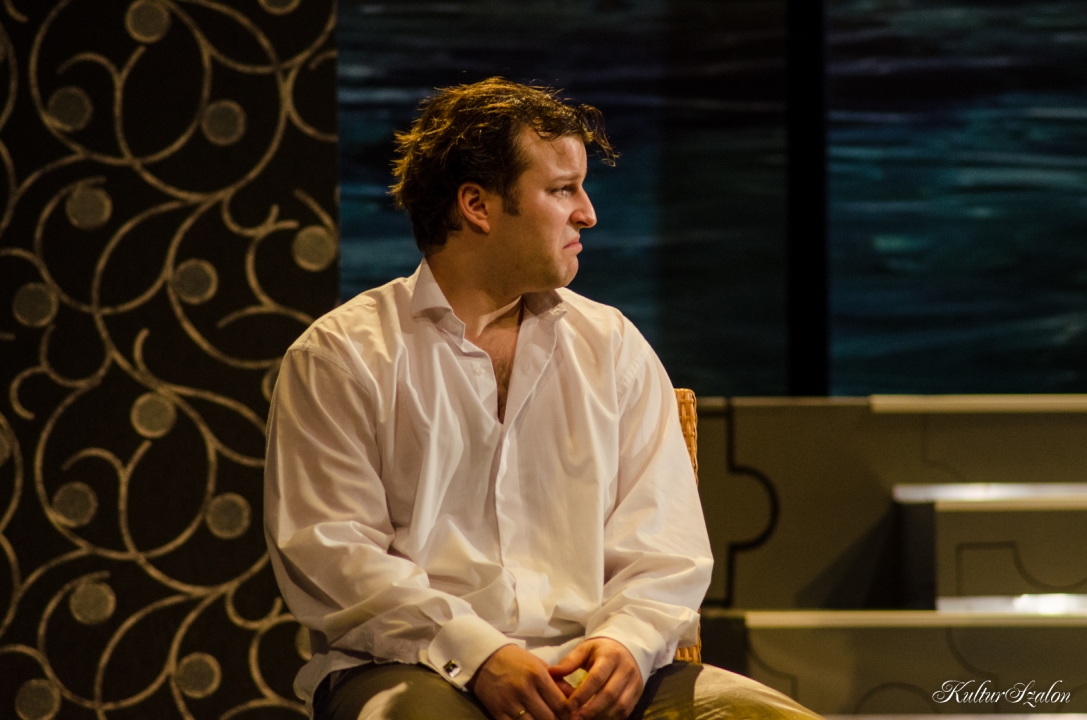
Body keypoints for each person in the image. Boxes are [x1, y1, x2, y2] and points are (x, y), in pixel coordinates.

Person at [265, 77, 820, 720]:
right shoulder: (342, 356)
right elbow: (333, 554)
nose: (587, 213)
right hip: (414, 665)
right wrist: (478, 655)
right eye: (562, 189)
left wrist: (627, 642)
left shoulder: (612, 346)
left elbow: (665, 548)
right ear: (477, 205)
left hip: (599, 669)